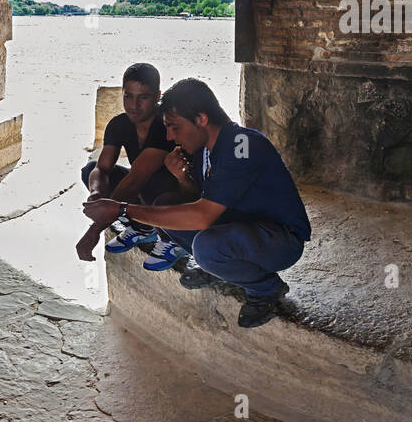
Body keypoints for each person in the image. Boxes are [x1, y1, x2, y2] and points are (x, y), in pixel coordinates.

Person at [82, 79, 310, 329]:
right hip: (237, 231)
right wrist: (183, 179)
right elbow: (197, 200)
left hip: (279, 241)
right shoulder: (204, 150)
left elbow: (202, 216)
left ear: (201, 119)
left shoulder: (241, 145)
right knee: (168, 205)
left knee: (205, 246)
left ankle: (266, 289)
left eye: (174, 127)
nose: (169, 136)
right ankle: (217, 267)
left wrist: (122, 210)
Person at [77, 62, 190, 261]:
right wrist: (96, 194)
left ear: (157, 97)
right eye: (128, 96)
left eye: (142, 98)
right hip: (143, 189)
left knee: (148, 183)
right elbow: (102, 168)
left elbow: (135, 180)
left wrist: (94, 230)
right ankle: (144, 227)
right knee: (89, 170)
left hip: (172, 195)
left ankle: (170, 239)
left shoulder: (164, 126)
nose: (133, 105)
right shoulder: (119, 123)